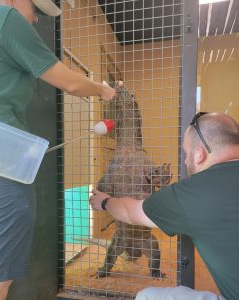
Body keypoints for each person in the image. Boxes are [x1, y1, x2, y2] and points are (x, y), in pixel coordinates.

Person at [0, 0, 115, 299]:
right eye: (35, 9)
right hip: (3, 157)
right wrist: (102, 89)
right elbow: (70, 84)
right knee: (1, 266)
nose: (36, 20)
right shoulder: (5, 17)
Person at [90, 112, 239, 300]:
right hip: (123, 233)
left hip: (141, 230)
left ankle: (154, 271)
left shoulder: (192, 193)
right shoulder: (116, 165)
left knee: (146, 296)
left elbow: (132, 211)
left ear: (199, 154)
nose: (185, 161)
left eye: (186, 154)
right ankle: (106, 268)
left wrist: (104, 202)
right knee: (115, 247)